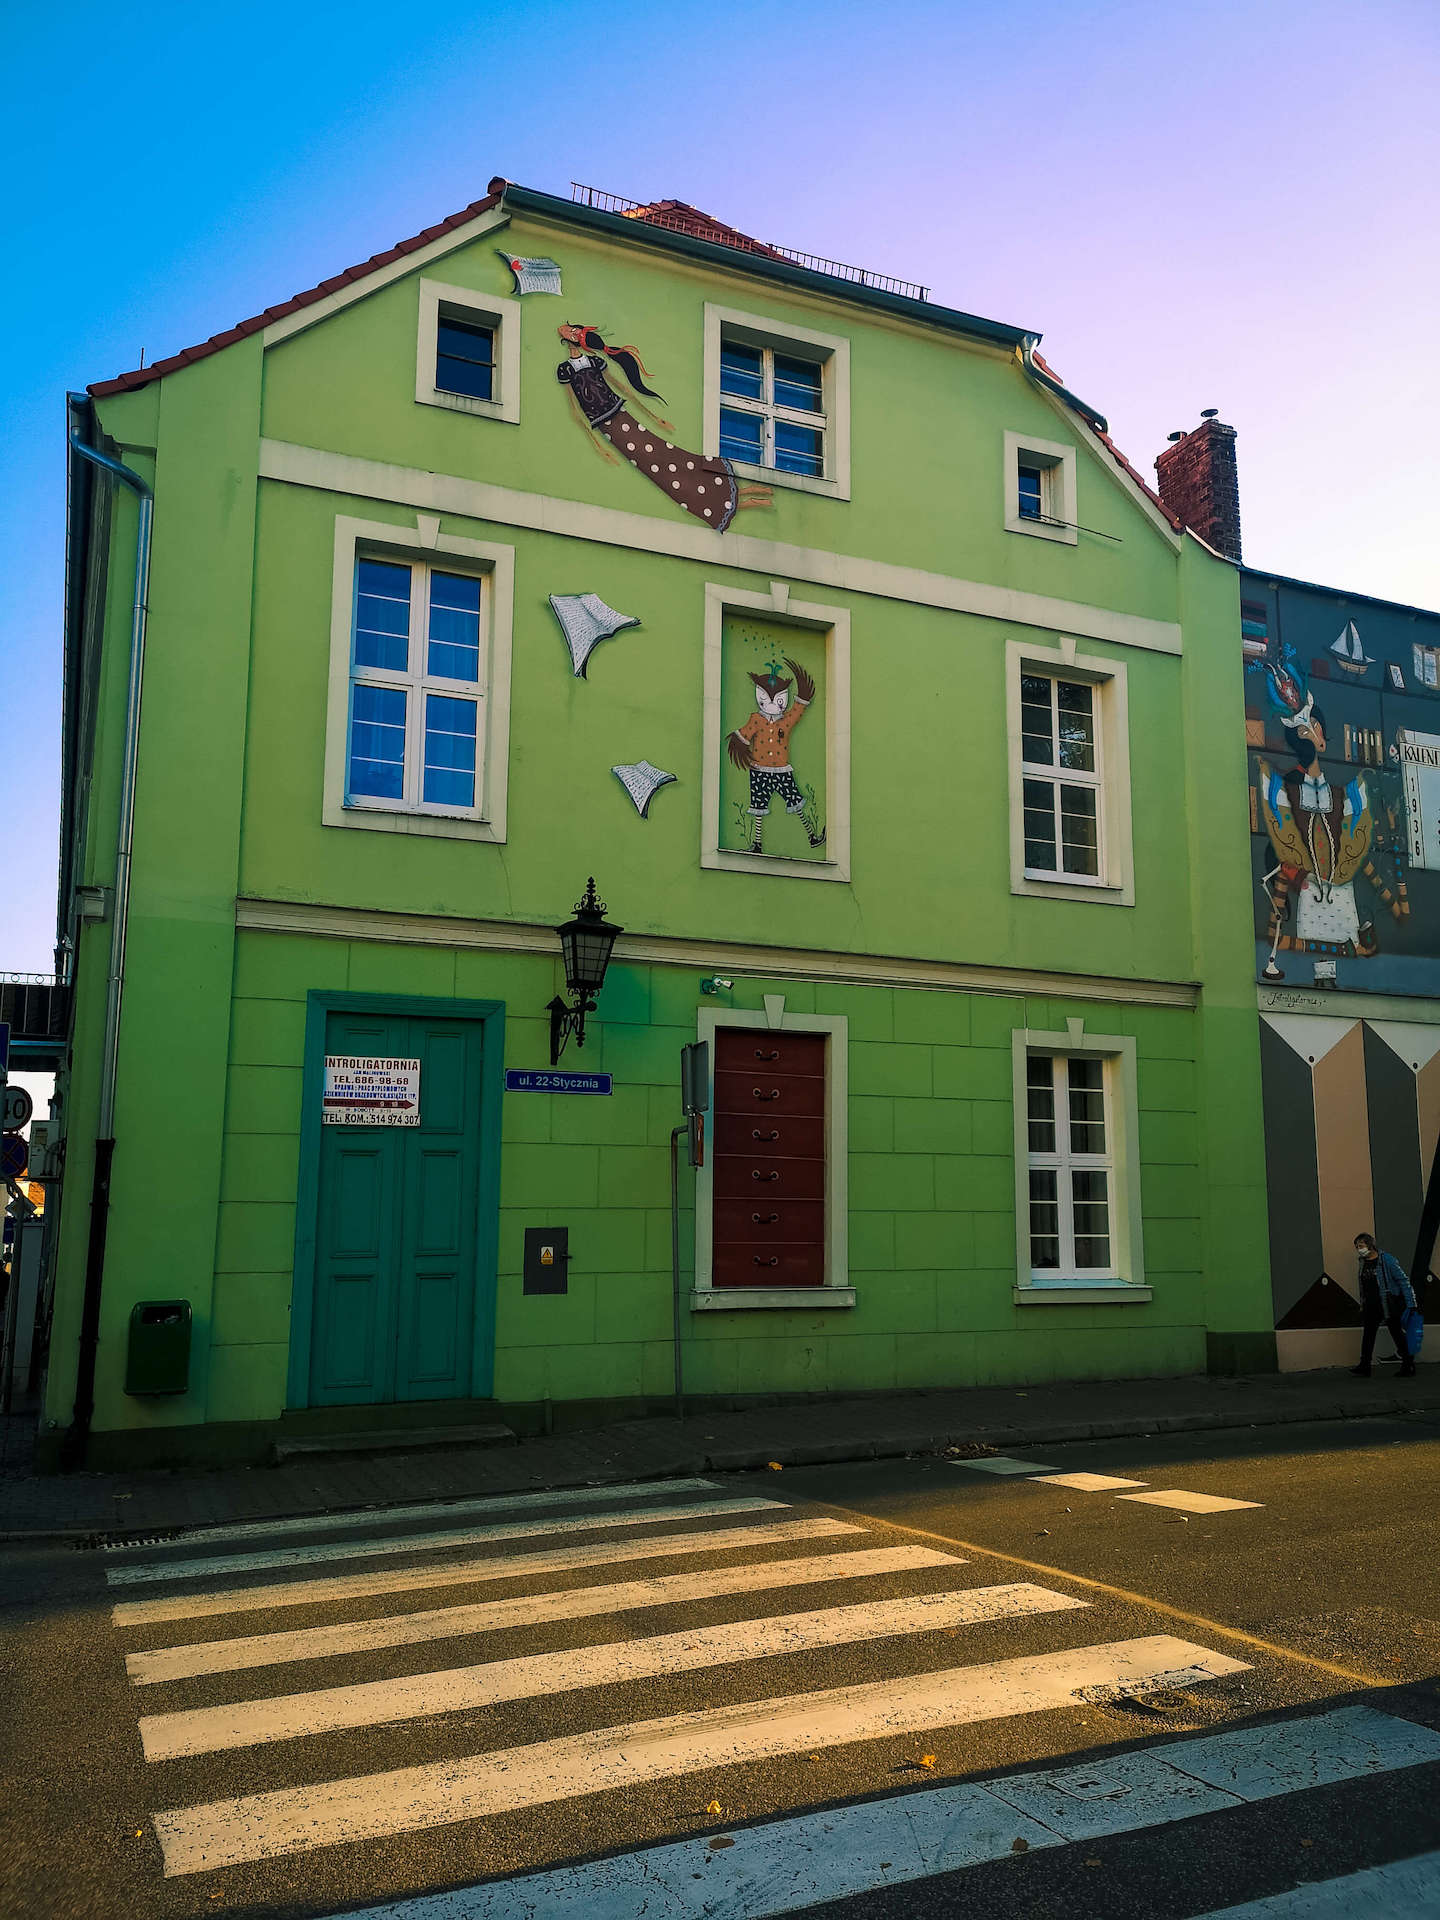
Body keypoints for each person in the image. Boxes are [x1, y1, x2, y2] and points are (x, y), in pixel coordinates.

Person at [1350, 1232, 1417, 1377]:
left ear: (1370, 1245)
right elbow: (1363, 1284)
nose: (1358, 1249)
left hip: (1387, 1303)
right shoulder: (1362, 1262)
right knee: (1368, 1333)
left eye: (1360, 1246)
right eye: (1356, 1247)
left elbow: (1403, 1281)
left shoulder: (1386, 1260)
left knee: (1396, 1332)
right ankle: (1364, 1365)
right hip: (1371, 1304)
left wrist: (1411, 1303)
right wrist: (1363, 1303)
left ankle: (1408, 1364)